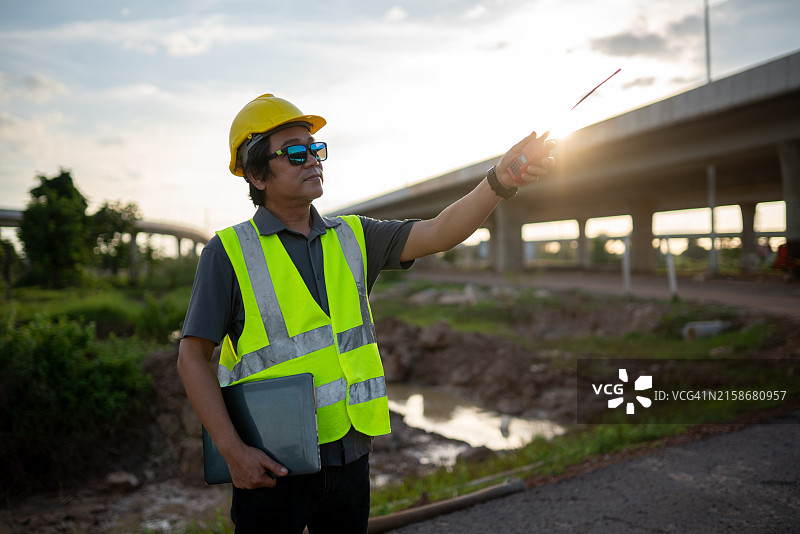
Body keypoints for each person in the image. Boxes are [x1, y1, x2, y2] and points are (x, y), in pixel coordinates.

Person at [177, 93, 556, 533]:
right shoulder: (228, 253)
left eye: (316, 149)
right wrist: (232, 451)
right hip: (272, 467)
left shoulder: (354, 236)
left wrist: (499, 181)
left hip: (351, 459)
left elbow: (439, 232)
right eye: (295, 153)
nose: (312, 160)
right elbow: (191, 357)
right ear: (257, 174)